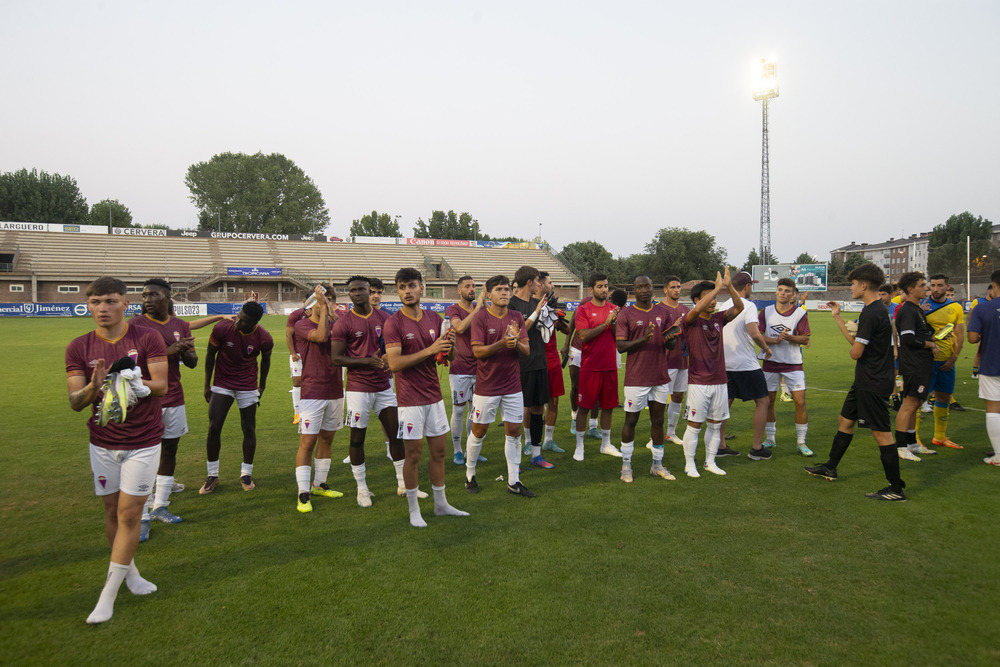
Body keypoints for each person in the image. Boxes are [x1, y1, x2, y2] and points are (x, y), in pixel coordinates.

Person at [65, 276, 167, 624]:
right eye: (95, 302)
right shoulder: (78, 347)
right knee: (111, 513)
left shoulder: (147, 337)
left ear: (126, 303)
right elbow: (75, 402)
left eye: (109, 301)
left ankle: (106, 598)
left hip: (143, 441)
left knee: (128, 515)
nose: (102, 308)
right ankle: (132, 575)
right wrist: (94, 387)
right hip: (103, 443)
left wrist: (138, 383)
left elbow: (161, 386)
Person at [805, 263, 907, 502]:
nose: (851, 288)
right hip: (866, 379)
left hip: (872, 380)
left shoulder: (872, 312)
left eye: (852, 284)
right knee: (845, 421)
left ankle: (895, 487)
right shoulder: (877, 309)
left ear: (864, 285)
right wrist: (838, 318)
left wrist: (856, 343)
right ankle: (830, 466)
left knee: (882, 433)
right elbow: (858, 344)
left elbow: (856, 352)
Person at [384, 267, 468, 526]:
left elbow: (447, 358)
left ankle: (441, 504)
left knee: (440, 452)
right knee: (414, 455)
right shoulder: (393, 323)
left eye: (411, 285)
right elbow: (395, 364)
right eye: (402, 287)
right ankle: (413, 510)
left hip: (433, 397)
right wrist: (430, 349)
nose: (407, 291)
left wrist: (449, 347)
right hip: (409, 400)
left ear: (422, 288)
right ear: (397, 291)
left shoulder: (434, 318)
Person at [331, 276, 412, 508]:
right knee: (357, 439)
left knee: (396, 434)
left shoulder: (385, 318)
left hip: (384, 386)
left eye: (361, 289)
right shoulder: (343, 323)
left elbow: (394, 348)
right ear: (349, 294)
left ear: (371, 292)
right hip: (358, 389)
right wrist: (367, 362)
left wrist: (388, 359)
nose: (357, 293)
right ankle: (362, 489)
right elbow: (336, 358)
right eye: (353, 290)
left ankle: (402, 484)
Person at [128, 279, 196, 534]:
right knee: (144, 456)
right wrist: (168, 350)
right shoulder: (134, 325)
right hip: (145, 399)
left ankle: (160, 505)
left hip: (174, 397)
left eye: (153, 295)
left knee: (169, 450)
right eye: (144, 295)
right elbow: (129, 362)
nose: (146, 299)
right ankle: (142, 515)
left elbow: (192, 363)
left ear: (167, 298)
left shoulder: (179, 324)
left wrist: (186, 351)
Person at [465, 274, 536, 497]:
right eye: (499, 290)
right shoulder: (480, 318)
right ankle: (470, 474)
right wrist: (501, 343)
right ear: (489, 293)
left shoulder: (516, 317)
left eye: (507, 289)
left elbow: (526, 351)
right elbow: (477, 352)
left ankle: (514, 481)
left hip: (513, 386)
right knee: (479, 430)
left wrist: (515, 343)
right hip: (487, 386)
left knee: (514, 432)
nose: (504, 293)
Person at [201, 300, 273, 495]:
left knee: (248, 428)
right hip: (222, 384)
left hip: (248, 386)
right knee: (214, 427)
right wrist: (207, 385)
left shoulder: (264, 338)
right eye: (238, 317)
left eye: (242, 321)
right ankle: (212, 475)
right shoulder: (222, 328)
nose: (237, 322)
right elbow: (210, 355)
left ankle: (246, 473)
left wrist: (262, 386)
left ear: (253, 323)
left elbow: (266, 361)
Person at [680, 269, 743, 477]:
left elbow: (739, 307)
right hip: (698, 381)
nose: (714, 300)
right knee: (695, 425)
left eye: (716, 297)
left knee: (715, 426)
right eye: (710, 297)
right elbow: (693, 312)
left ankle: (710, 462)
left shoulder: (718, 318)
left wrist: (729, 286)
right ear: (698, 299)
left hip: (719, 380)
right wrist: (716, 288)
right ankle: (690, 464)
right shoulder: (690, 320)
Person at [616, 274, 679, 482]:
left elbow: (669, 344)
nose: (644, 290)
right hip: (636, 378)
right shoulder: (626, 314)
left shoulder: (663, 312)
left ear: (653, 288)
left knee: (658, 421)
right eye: (640, 287)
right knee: (631, 420)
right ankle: (626, 466)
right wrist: (644, 339)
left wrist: (670, 339)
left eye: (648, 286)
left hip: (660, 376)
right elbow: (621, 346)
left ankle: (657, 465)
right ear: (634, 290)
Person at [293, 285, 344, 512]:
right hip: (312, 392)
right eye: (323, 299)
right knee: (307, 442)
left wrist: (333, 315)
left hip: (335, 390)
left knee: (327, 439)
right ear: (312, 303)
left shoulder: (338, 324)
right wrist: (324, 311)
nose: (327, 302)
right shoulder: (302, 325)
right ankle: (303, 493)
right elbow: (321, 336)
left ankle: (319, 484)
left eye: (331, 299)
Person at [718, 271, 773, 460]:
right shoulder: (748, 306)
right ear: (747, 286)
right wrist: (766, 349)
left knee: (726, 403)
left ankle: (720, 445)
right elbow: (755, 333)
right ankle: (757, 448)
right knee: (763, 401)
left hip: (725, 362)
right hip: (745, 363)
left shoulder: (723, 305)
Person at [758, 277, 812, 456]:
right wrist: (775, 340)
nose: (783, 293)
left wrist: (789, 338)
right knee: (769, 402)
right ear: (776, 291)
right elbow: (757, 336)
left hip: (793, 364)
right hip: (770, 362)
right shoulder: (765, 312)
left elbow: (805, 338)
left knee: (800, 402)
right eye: (780, 289)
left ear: (793, 295)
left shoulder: (799, 314)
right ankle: (771, 439)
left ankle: (801, 442)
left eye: (787, 291)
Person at [573, 273, 623, 461]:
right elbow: (584, 336)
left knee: (608, 407)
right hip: (590, 367)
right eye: (600, 286)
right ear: (591, 289)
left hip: (609, 366)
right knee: (584, 407)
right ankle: (579, 447)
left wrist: (615, 321)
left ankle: (606, 444)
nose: (604, 290)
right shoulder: (584, 310)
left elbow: (618, 337)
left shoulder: (614, 309)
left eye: (606, 286)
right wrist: (605, 323)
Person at [509, 265, 555, 469]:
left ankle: (536, 454)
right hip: (519, 364)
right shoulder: (511, 304)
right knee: (517, 412)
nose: (540, 284)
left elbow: (546, 334)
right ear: (529, 282)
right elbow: (518, 333)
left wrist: (550, 320)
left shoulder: (538, 302)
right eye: (537, 281)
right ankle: (515, 459)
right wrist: (537, 313)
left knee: (537, 408)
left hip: (538, 361)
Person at [892, 271, 939, 461]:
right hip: (914, 364)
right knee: (909, 404)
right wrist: (931, 344)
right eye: (922, 285)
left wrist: (932, 338)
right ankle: (901, 446)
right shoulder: (907, 310)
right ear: (910, 289)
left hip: (921, 364)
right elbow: (908, 339)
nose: (926, 288)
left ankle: (911, 443)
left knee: (916, 403)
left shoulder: (917, 309)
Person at [919, 274, 965, 447]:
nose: (936, 289)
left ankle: (939, 437)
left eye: (939, 285)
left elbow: (960, 336)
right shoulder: (922, 306)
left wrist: (954, 358)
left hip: (947, 361)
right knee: (918, 399)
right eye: (933, 285)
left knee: (944, 398)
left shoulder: (955, 307)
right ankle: (913, 437)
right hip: (926, 360)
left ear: (947, 286)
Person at [444, 275, 485, 465]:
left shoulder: (482, 309)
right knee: (459, 411)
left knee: (475, 410)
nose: (472, 289)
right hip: (460, 368)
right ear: (459, 291)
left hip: (479, 367)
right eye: (467, 286)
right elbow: (459, 328)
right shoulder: (453, 309)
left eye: (474, 286)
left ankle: (470, 448)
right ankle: (457, 450)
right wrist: (477, 309)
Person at [967, 269, 1000, 466]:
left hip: (991, 364)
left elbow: (972, 338)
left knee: (993, 410)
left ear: (993, 286)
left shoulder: (983, 308)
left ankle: (998, 455)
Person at [539, 271, 568, 453]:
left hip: (552, 360)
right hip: (534, 360)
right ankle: (529, 441)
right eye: (550, 282)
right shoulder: (529, 306)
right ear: (541, 284)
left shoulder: (554, 308)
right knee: (531, 404)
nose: (553, 285)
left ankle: (548, 439)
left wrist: (558, 318)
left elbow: (568, 329)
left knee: (554, 401)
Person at [661, 275, 689, 445]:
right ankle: (654, 435)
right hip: (665, 360)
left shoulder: (686, 310)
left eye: (678, 287)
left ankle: (671, 432)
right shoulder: (659, 310)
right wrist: (673, 329)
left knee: (678, 396)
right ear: (665, 290)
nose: (676, 290)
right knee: (661, 399)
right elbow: (656, 336)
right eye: (672, 287)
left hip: (683, 360)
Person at [285, 295, 312, 425]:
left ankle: (311, 410)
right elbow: (288, 334)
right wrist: (292, 353)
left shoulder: (319, 315)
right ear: (303, 301)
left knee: (314, 382)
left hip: (314, 355)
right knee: (297, 382)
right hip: (298, 355)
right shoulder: (295, 315)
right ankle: (297, 412)